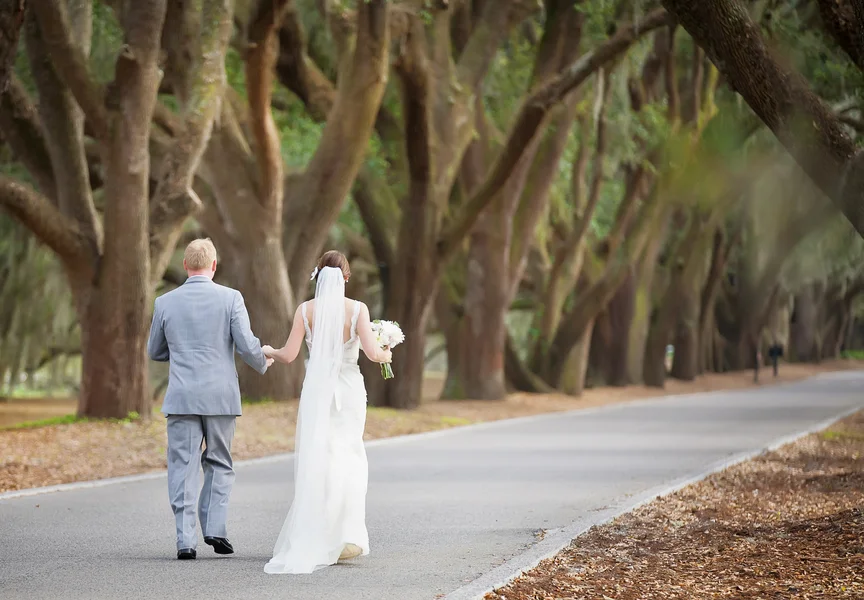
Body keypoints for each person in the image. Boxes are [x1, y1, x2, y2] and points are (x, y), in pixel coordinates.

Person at [262, 250, 392, 574]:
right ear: (346, 277)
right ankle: (346, 535)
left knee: (319, 457)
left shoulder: (305, 310)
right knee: (349, 455)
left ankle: (318, 533)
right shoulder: (357, 309)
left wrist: (269, 351)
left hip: (317, 390)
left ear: (318, 276)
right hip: (348, 390)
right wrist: (387, 351)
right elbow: (372, 353)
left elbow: (289, 355)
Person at [147, 239, 273, 560]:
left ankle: (185, 540)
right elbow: (245, 344)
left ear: (186, 265)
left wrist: (180, 352)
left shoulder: (164, 302)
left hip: (182, 397)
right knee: (219, 461)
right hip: (220, 396)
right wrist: (263, 359)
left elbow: (155, 351)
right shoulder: (231, 298)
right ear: (214, 265)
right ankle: (215, 527)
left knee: (183, 466)